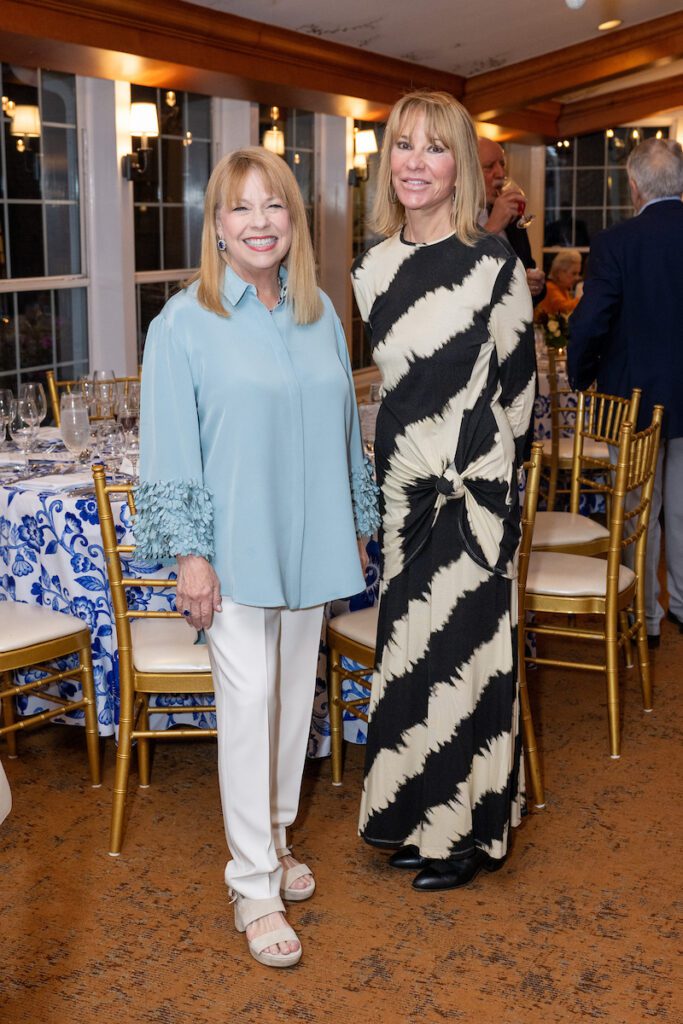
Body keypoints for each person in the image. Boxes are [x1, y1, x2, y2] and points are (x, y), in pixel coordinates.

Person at [136, 147, 379, 967]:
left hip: (311, 542)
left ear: (293, 221)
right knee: (246, 708)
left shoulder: (319, 313)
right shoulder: (183, 323)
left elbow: (342, 427)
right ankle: (251, 885)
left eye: (272, 205)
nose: (259, 222)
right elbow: (169, 452)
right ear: (216, 225)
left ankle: (273, 839)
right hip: (232, 550)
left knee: (288, 702)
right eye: (240, 207)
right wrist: (190, 556)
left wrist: (355, 519)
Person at [352, 91, 536, 891]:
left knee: (464, 662)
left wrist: (490, 487)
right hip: (404, 494)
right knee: (408, 656)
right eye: (403, 145)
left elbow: (520, 398)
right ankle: (412, 816)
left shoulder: (492, 265)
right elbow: (395, 390)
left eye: (433, 148)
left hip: (472, 496)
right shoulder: (369, 270)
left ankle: (462, 833)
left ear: (459, 165)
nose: (415, 163)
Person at [569, 137, 683, 648]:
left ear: (634, 186)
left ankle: (646, 616)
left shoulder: (615, 242)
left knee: (639, 510)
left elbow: (591, 319)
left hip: (633, 400)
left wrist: (581, 374)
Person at [478, 136, 546, 302]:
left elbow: (527, 268)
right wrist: (492, 227)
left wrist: (536, 287)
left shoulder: (513, 221)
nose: (501, 174)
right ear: (465, 172)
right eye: (489, 167)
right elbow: (454, 275)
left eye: (502, 164)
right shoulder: (447, 217)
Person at [534, 248, 582, 319]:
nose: (577, 278)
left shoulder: (563, 289)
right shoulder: (550, 288)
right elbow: (564, 308)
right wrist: (582, 298)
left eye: (578, 273)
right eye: (574, 273)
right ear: (559, 273)